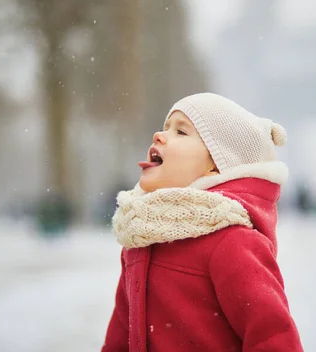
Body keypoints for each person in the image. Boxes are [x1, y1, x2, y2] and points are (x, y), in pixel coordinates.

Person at [102, 93, 303, 351]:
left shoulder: (232, 242)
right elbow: (121, 335)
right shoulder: (139, 235)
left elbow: (272, 337)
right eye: (166, 128)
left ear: (216, 167)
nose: (159, 135)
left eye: (181, 132)